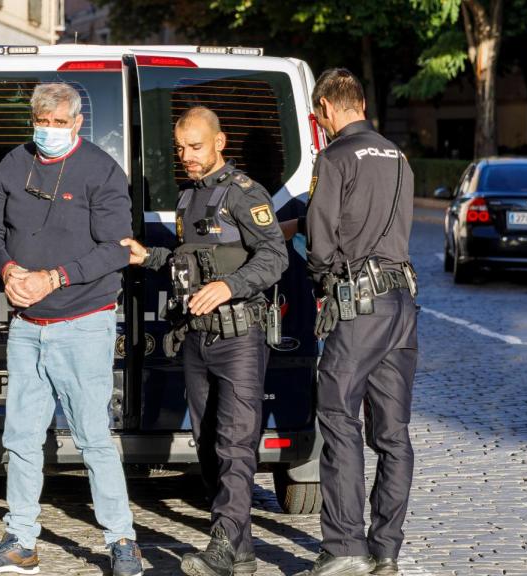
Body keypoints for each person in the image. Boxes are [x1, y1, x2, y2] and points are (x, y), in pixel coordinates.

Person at [0, 82, 144, 576]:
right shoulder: (12, 164)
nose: (48, 132)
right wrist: (7, 270)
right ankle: (20, 541)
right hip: (27, 326)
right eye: (41, 123)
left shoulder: (102, 171)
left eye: (58, 124)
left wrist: (54, 277)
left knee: (93, 437)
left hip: (82, 323)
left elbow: (117, 248)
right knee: (21, 437)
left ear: (76, 124)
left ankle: (122, 541)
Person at [122, 106, 288, 576]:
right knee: (210, 445)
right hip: (196, 339)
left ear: (219, 141)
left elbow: (275, 256)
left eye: (195, 147)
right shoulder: (188, 199)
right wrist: (147, 257)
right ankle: (243, 549)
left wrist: (230, 287)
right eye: (180, 149)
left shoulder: (244, 194)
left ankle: (220, 547)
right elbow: (186, 260)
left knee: (236, 444)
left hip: (239, 338)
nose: (186, 156)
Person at [295, 68, 417, 576]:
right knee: (393, 435)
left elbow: (322, 242)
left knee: (340, 421)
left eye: (318, 115)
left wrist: (321, 281)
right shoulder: (400, 156)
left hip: (357, 307)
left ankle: (345, 546)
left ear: (326, 108)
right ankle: (386, 551)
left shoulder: (335, 156)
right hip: (402, 307)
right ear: (363, 103)